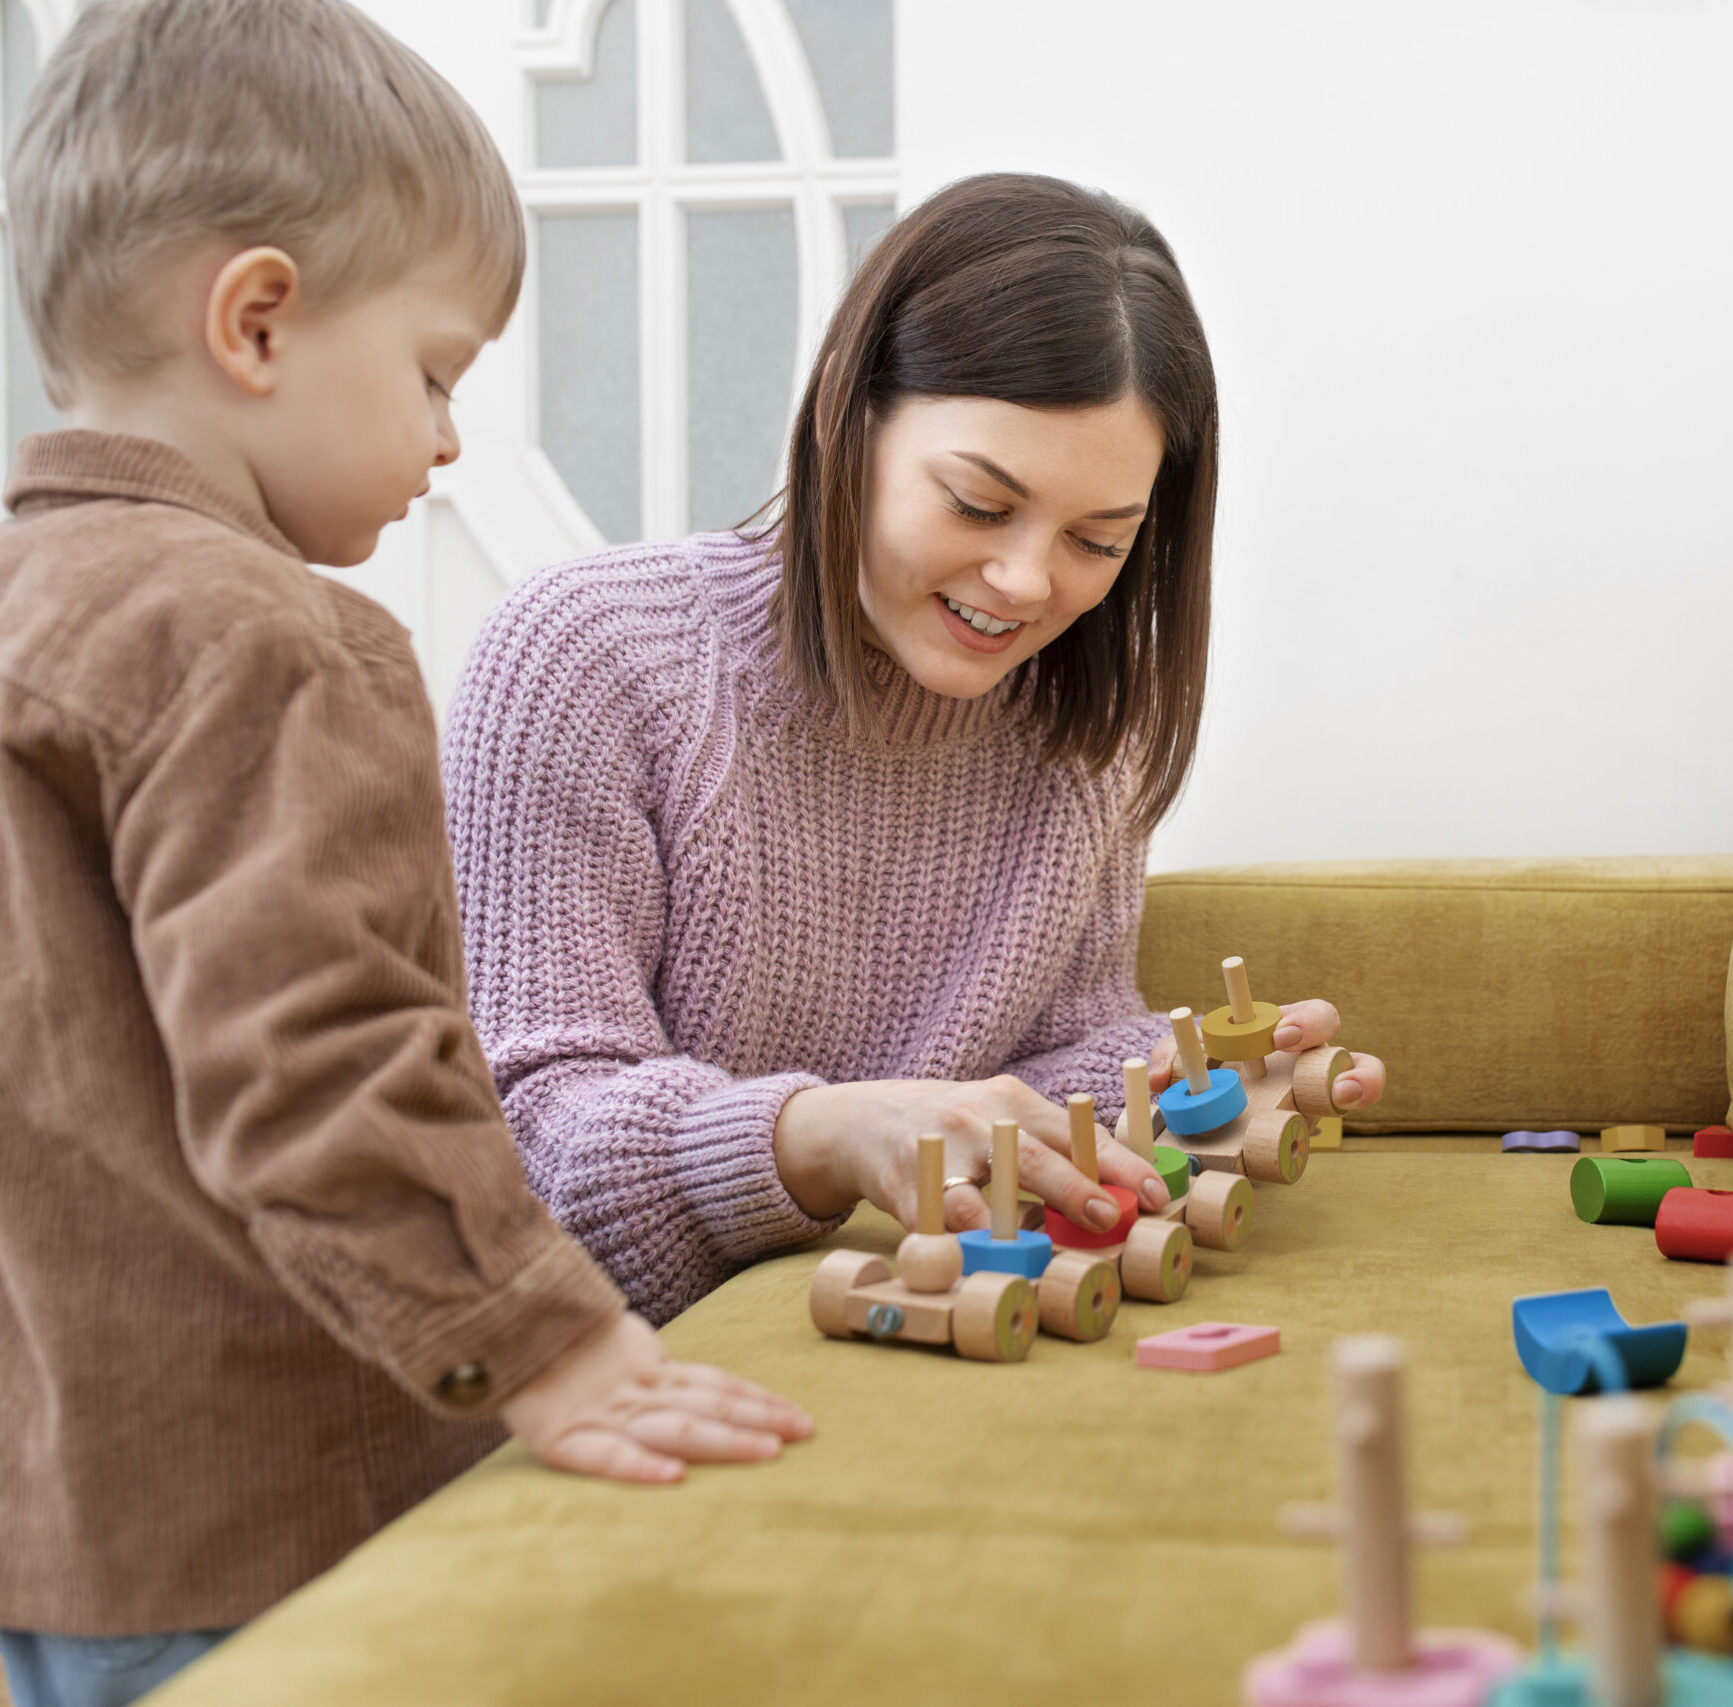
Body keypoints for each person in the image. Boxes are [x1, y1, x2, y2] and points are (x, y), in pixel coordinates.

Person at [0, 5, 809, 1703]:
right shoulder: (270, 637)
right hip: (271, 1511)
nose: (450, 439)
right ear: (260, 319)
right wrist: (555, 1339)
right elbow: (322, 1056)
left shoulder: (33, 612)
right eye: (436, 370)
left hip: (62, 1515)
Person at [445, 172, 1386, 1325]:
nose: (1027, 584)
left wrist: (1187, 1082)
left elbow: (1043, 1061)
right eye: (979, 506)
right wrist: (824, 1135)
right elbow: (524, 1141)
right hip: (596, 1378)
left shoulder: (1084, 734)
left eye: (1097, 541)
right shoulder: (590, 658)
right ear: (852, 417)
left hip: (918, 1324)